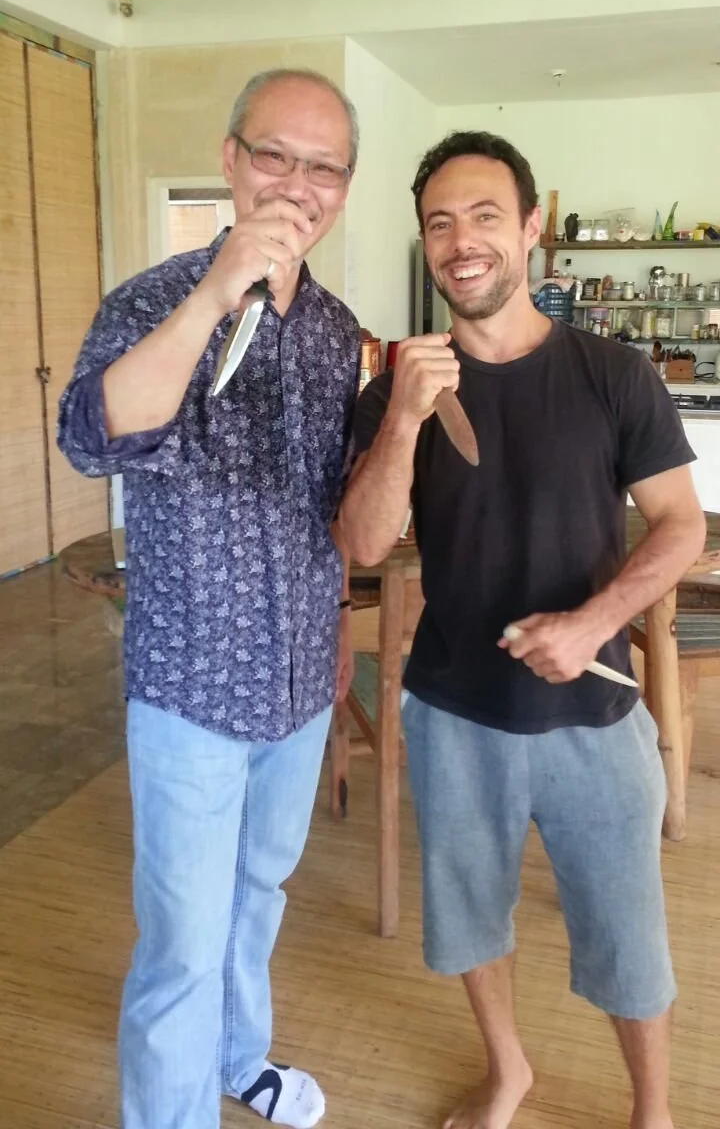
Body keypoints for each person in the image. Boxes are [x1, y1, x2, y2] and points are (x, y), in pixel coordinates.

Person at [340, 130, 706, 1129]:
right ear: (425, 243)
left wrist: (594, 620)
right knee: (468, 917)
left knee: (627, 929)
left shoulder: (611, 372)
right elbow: (364, 542)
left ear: (533, 227)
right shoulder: (400, 384)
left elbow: (682, 523)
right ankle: (509, 1071)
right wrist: (404, 420)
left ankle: (653, 1108)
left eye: (485, 215)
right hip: (454, 708)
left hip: (594, 710)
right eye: (440, 223)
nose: (463, 241)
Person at [58, 68, 361, 1129]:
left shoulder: (337, 332)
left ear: (345, 187)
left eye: (324, 165)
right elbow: (95, 437)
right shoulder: (151, 298)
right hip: (189, 681)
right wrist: (213, 294)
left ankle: (241, 1059)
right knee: (181, 941)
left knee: (256, 899)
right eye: (275, 154)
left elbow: (333, 512)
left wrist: (332, 641)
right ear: (232, 159)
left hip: (294, 687)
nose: (297, 183)